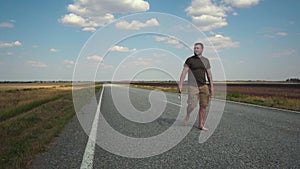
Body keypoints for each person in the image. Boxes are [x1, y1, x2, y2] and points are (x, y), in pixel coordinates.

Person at [178, 42, 214, 131]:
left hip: (204, 86)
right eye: (195, 48)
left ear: (202, 49)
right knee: (192, 105)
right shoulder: (189, 60)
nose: (196, 49)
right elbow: (184, 72)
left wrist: (211, 86)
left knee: (203, 105)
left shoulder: (206, 60)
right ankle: (187, 115)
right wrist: (180, 84)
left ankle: (201, 124)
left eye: (197, 48)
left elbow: (209, 74)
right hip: (192, 86)